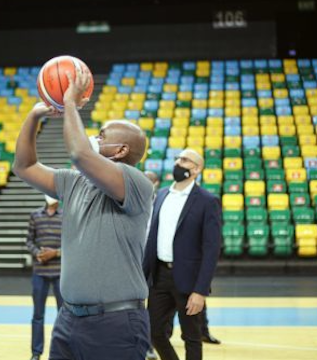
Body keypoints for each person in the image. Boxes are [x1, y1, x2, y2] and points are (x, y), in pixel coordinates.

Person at [13, 66, 153, 359]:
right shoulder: (75, 182)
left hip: (116, 323)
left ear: (121, 151)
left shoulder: (135, 182)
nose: (94, 138)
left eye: (101, 136)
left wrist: (70, 104)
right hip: (69, 319)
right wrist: (34, 116)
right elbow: (24, 167)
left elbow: (79, 153)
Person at [143, 149, 222, 360]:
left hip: (189, 280)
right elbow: (152, 237)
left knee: (192, 337)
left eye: (185, 160)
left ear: (196, 169)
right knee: (154, 331)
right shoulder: (161, 195)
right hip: (159, 276)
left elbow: (211, 249)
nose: (178, 162)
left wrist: (201, 290)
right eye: (178, 158)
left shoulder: (207, 201)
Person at [26, 194, 64, 360]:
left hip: (61, 273)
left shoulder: (66, 216)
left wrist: (55, 253)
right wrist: (37, 253)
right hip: (40, 272)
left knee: (63, 315)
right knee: (38, 315)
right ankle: (36, 352)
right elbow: (29, 240)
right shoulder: (35, 215)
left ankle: (61, 351)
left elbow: (72, 243)